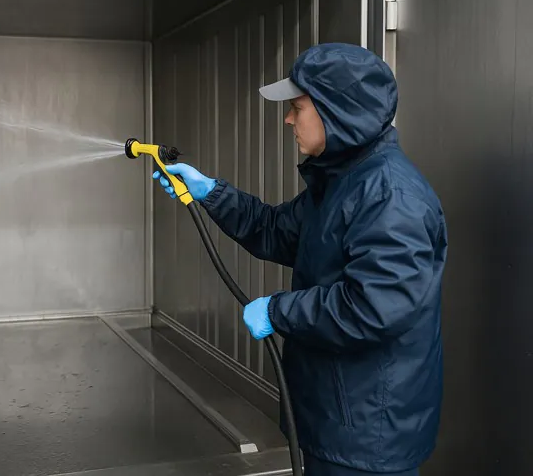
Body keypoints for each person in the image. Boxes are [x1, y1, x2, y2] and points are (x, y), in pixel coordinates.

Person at [153, 43, 447, 476]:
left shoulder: (389, 196)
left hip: (367, 435)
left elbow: (374, 307)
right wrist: (212, 192)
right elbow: (275, 231)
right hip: (338, 417)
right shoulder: (342, 181)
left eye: (298, 107)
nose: (289, 119)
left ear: (338, 111)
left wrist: (278, 311)